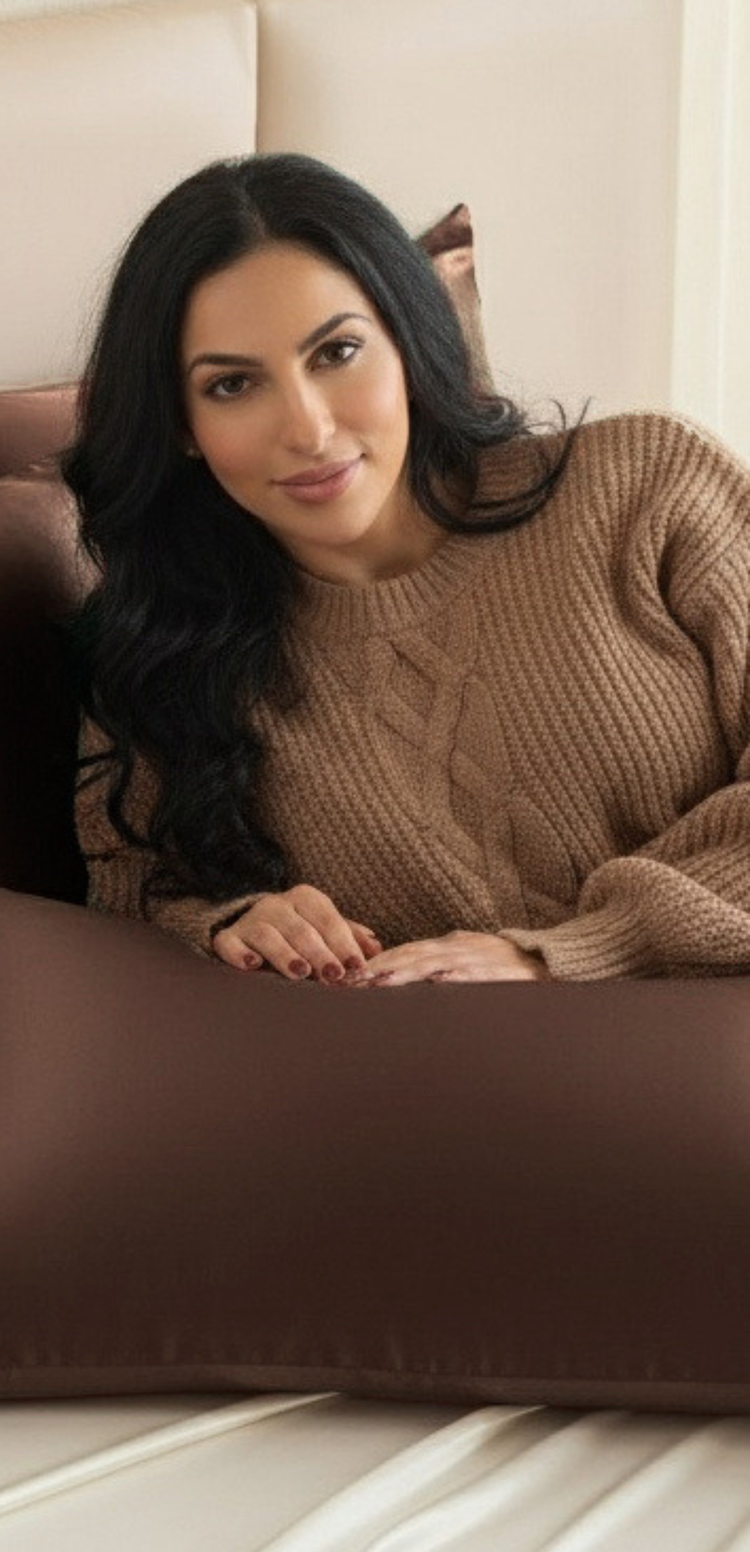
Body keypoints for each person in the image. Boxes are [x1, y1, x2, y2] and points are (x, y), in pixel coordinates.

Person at [66, 152, 750, 986]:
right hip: (463, 1105)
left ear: (409, 342)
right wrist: (233, 923)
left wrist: (565, 953)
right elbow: (129, 898)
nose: (309, 430)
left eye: (337, 352)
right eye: (234, 385)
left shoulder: (648, 485)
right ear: (178, 424)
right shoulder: (166, 652)